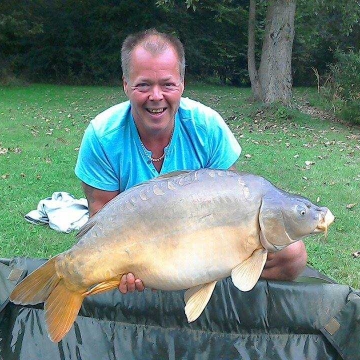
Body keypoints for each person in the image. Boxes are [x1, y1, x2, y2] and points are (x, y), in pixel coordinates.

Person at [75, 29, 307, 294]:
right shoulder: (102, 136)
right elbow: (101, 220)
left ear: (182, 84)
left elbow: (232, 209)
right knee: (99, 268)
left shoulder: (207, 128)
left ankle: (213, 293)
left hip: (200, 241)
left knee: (293, 256)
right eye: (143, 85)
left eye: (167, 84)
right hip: (138, 247)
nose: (156, 96)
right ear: (126, 84)